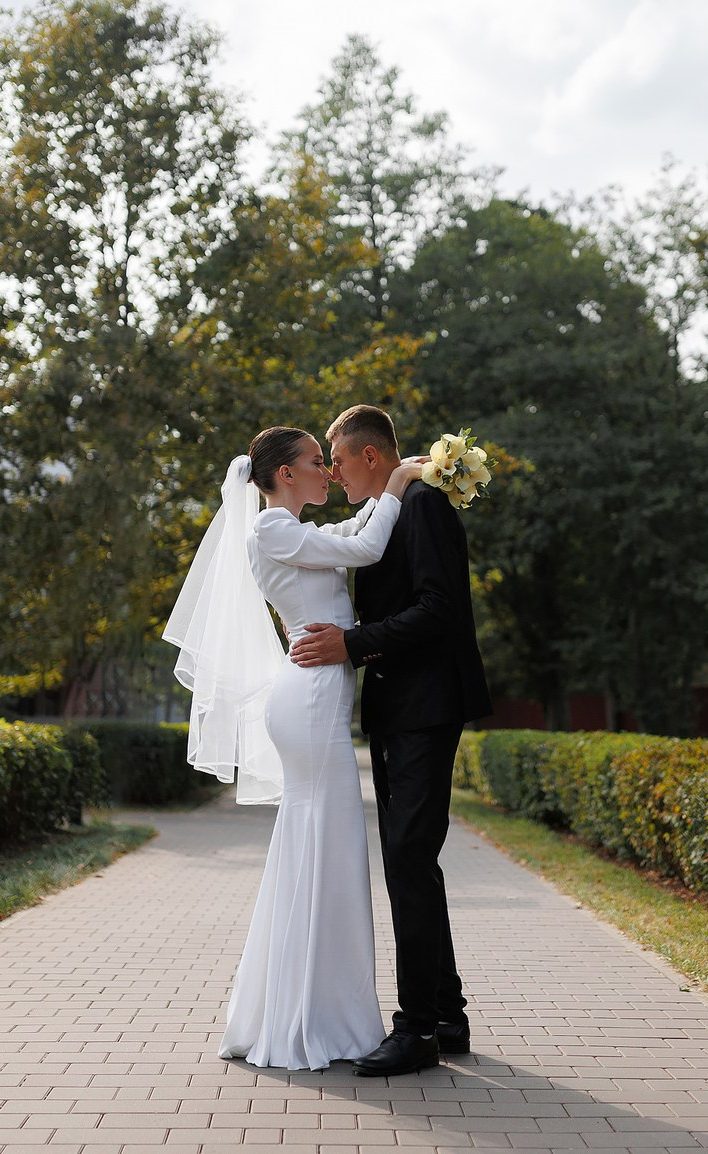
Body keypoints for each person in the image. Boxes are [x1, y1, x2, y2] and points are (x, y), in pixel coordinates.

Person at [164, 428, 422, 1071]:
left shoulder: (294, 531)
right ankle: (312, 1019)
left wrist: (392, 490)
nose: (327, 472)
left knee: (323, 850)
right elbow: (364, 544)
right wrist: (395, 484)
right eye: (316, 462)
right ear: (283, 474)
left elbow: (350, 534)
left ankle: (313, 1007)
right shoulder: (272, 530)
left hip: (315, 698)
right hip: (307, 701)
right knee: (325, 848)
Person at [288, 404, 493, 1078]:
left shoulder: (425, 507)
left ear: (369, 457)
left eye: (338, 461)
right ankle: (448, 1013)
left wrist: (352, 644)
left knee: (408, 859)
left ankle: (417, 1032)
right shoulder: (388, 511)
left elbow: (437, 609)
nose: (335, 473)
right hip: (402, 707)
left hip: (427, 705)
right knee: (412, 861)